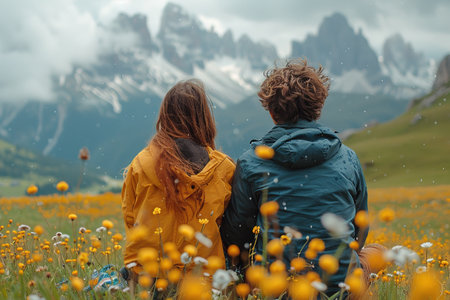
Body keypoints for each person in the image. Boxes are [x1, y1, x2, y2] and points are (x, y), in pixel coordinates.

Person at [220, 59, 384, 297]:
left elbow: (238, 234)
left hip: (275, 288)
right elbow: (360, 226)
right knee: (377, 251)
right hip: (340, 287)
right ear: (317, 108)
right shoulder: (347, 158)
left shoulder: (251, 162)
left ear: (272, 111)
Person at [121, 80, 235, 277]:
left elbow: (130, 218)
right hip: (202, 281)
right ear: (204, 118)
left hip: (146, 277)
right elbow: (230, 227)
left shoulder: (140, 163)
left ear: (165, 117)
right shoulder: (224, 169)